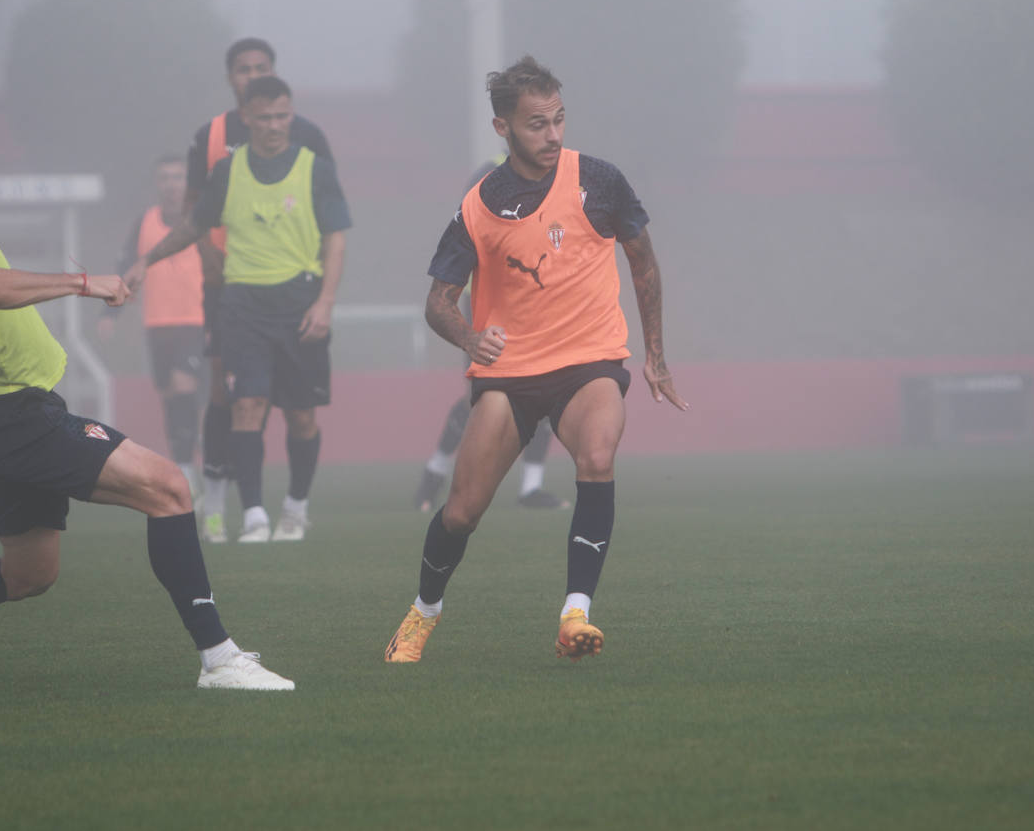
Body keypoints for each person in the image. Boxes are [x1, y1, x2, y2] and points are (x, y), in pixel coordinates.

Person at [0, 74, 292, 691]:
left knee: (27, 576)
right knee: (169, 488)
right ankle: (220, 660)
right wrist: (84, 283)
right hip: (15, 413)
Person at [383, 56, 687, 665]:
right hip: (510, 375)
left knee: (598, 456)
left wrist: (653, 353)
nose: (553, 135)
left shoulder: (599, 181)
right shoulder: (478, 206)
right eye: (536, 124)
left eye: (559, 120)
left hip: (590, 361)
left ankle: (576, 613)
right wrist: (470, 341)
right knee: (463, 511)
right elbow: (438, 303)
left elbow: (644, 261)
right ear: (503, 130)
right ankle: (424, 612)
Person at [128, 74, 350, 545]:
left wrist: (326, 301)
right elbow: (194, 225)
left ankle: (295, 507)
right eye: (265, 117)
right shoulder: (228, 172)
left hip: (301, 305)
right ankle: (252, 514)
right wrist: (146, 260)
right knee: (246, 406)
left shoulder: (315, 169)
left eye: (282, 116)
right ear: (246, 118)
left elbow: (336, 238)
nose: (275, 125)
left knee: (301, 417)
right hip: (242, 305)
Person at [186, 37, 335, 543]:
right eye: (244, 69)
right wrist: (212, 262)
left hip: (292, 287)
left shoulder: (307, 135)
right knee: (226, 393)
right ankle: (218, 502)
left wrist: (322, 292)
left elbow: (327, 212)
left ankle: (291, 506)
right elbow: (194, 212)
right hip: (229, 288)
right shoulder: (209, 137)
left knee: (297, 409)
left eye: (261, 68)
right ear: (231, 79)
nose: (252, 75)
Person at [412, 155, 571, 514]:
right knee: (481, 396)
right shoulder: (489, 176)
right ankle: (435, 473)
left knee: (549, 386)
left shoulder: (565, 172)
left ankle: (531, 488)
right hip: (490, 300)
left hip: (541, 298)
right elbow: (472, 235)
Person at [99, 155, 204, 493]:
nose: (172, 185)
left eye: (178, 177)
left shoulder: (204, 221)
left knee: (186, 386)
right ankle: (186, 458)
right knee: (172, 396)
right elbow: (129, 266)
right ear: (157, 184)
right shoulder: (144, 223)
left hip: (198, 322)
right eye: (165, 178)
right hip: (158, 325)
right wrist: (110, 314)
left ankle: (191, 470)